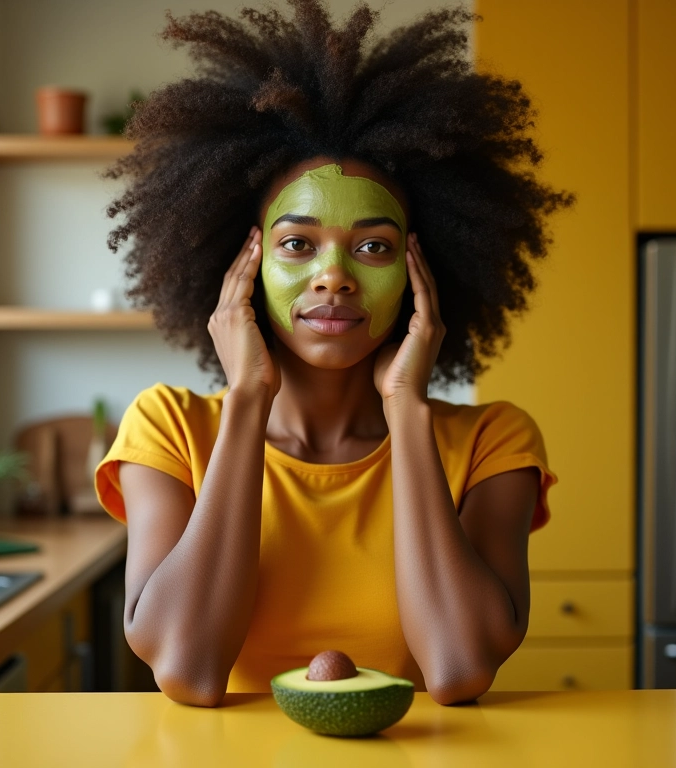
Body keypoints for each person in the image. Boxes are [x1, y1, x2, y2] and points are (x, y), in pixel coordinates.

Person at [95, 0, 575, 707]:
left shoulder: (490, 442)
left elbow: (458, 668)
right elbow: (189, 671)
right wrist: (248, 399)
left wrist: (407, 414)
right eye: (296, 244)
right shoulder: (169, 429)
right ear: (241, 266)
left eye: (374, 247)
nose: (333, 276)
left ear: (425, 271)